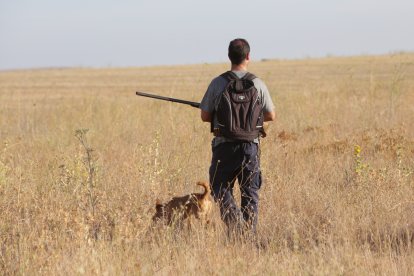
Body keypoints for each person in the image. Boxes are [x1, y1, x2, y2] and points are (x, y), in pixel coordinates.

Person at [200, 38, 275, 238]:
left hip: (224, 147)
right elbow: (271, 115)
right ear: (248, 57)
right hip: (250, 147)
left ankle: (236, 227)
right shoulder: (258, 83)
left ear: (229, 57)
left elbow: (204, 116)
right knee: (250, 193)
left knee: (219, 187)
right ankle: (247, 237)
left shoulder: (218, 83)